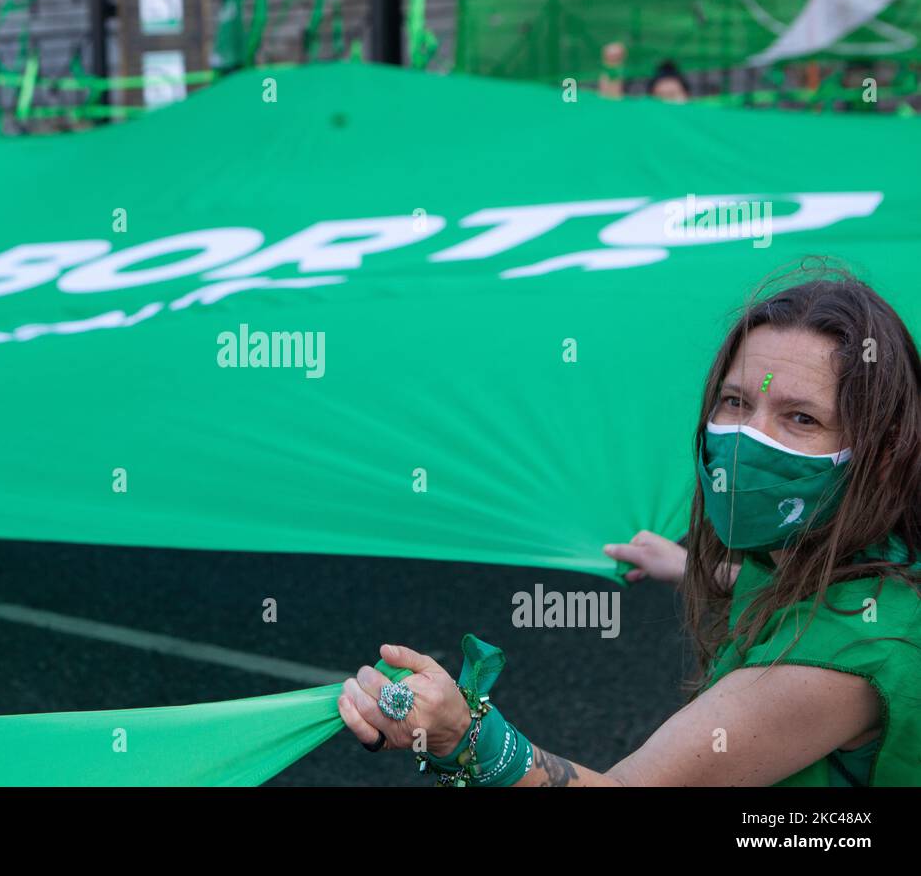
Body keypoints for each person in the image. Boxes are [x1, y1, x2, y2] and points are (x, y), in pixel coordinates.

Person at [338, 268, 921, 786]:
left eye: (800, 417)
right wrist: (693, 567)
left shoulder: (837, 667)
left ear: (881, 450)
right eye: (736, 402)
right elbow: (808, 589)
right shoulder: (858, 550)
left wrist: (461, 736)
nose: (747, 443)